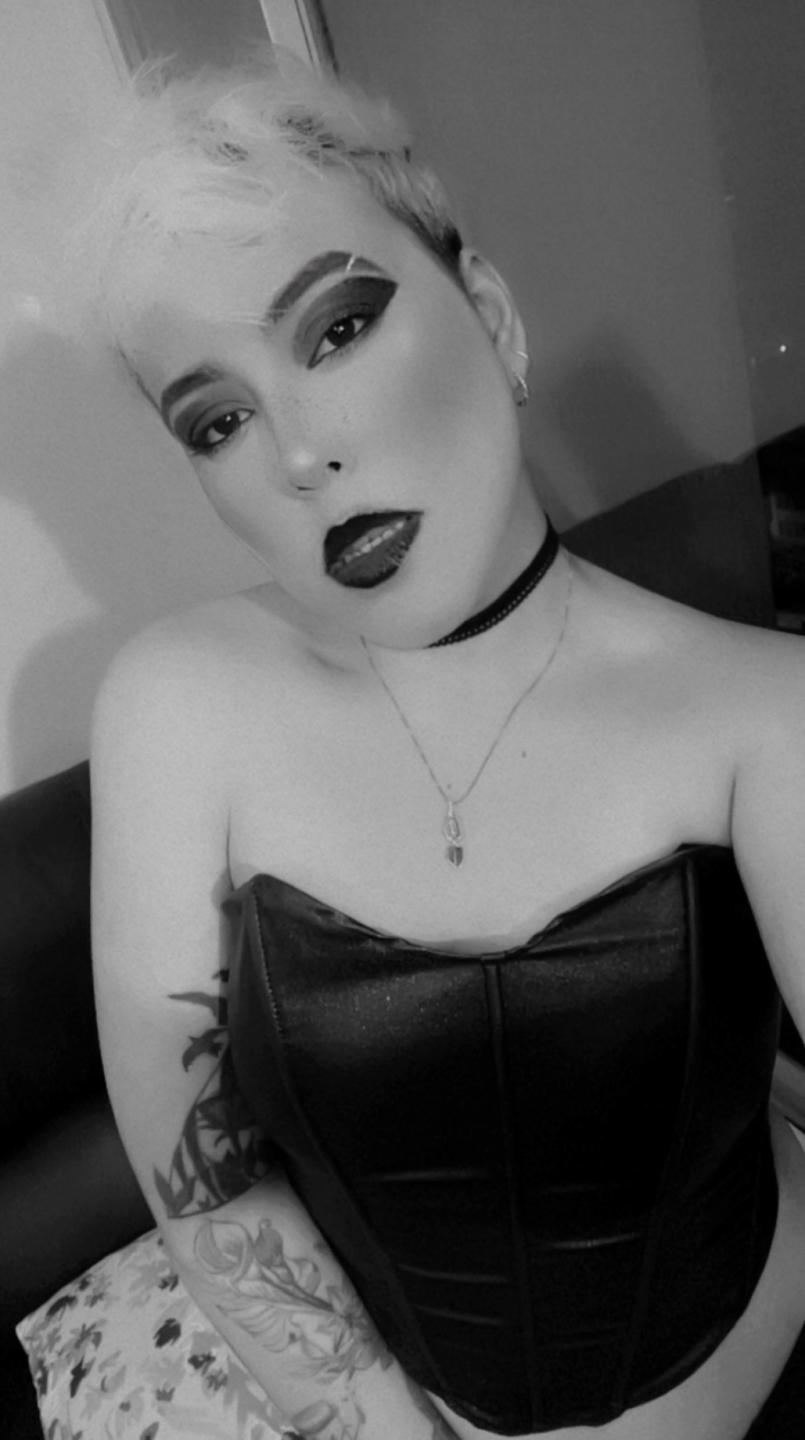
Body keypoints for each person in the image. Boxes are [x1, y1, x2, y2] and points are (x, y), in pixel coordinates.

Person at [83, 47, 805, 1440]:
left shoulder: (764, 713)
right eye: (219, 419)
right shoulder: (177, 708)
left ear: (491, 318)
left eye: (337, 330)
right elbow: (204, 1180)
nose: (298, 453)